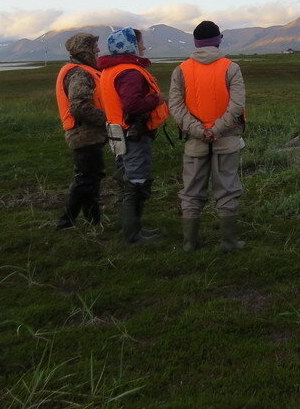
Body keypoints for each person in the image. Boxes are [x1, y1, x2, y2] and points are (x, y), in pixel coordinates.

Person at [169, 20, 247, 253]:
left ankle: (189, 244)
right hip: (227, 139)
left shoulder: (181, 70)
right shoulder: (231, 67)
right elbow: (237, 104)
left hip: (195, 141)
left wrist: (198, 131)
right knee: (227, 189)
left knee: (191, 191)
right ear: (218, 40)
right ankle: (228, 243)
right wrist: (216, 130)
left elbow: (176, 106)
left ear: (196, 42)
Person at [98, 27, 169, 244]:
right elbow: (133, 104)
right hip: (133, 135)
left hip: (119, 133)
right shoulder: (130, 72)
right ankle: (134, 235)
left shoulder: (111, 71)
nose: (144, 47)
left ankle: (133, 230)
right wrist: (157, 99)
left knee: (129, 180)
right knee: (136, 182)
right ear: (130, 45)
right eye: (140, 43)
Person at [54, 33, 107, 228]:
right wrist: (107, 119)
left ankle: (92, 219)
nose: (98, 50)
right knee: (86, 179)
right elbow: (79, 106)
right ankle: (66, 221)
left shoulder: (79, 70)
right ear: (85, 49)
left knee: (90, 177)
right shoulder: (80, 73)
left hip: (85, 134)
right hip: (84, 134)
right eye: (95, 47)